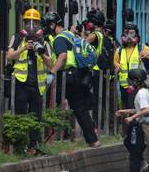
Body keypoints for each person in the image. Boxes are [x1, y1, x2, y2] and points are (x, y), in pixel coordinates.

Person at [48, 12, 99, 147]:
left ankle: (43, 139)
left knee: (48, 103)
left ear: (53, 25)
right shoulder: (70, 35)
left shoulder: (59, 38)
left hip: (66, 76)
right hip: (78, 75)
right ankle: (93, 140)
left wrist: (52, 71)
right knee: (79, 108)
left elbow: (63, 56)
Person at [7, 9, 51, 152]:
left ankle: (33, 146)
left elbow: (50, 63)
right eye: (27, 23)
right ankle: (20, 146)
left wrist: (41, 53)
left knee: (36, 117)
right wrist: (24, 48)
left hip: (37, 85)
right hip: (21, 83)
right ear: (24, 23)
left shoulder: (44, 40)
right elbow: (9, 56)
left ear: (39, 24)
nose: (31, 27)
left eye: (35, 23)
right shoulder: (17, 38)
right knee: (20, 115)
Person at [117, 67, 149, 172]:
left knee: (133, 157)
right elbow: (140, 109)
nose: (129, 82)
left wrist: (131, 118)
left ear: (135, 81)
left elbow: (145, 110)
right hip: (141, 126)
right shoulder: (143, 92)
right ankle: (141, 161)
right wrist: (125, 111)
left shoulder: (141, 93)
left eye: (130, 80)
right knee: (128, 143)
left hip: (140, 128)